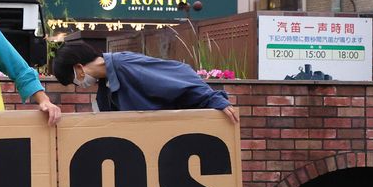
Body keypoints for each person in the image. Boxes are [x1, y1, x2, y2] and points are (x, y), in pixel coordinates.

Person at [49, 41, 240, 124]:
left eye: (73, 80)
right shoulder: (105, 85)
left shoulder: (125, 64)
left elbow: (176, 74)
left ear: (80, 69)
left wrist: (213, 99)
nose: (78, 85)